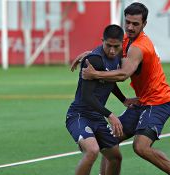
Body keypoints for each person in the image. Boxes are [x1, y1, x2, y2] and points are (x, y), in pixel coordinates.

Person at [74, 2, 170, 175]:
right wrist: (90, 54)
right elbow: (110, 49)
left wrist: (94, 74)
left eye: (135, 24)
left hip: (158, 102)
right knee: (110, 142)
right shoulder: (125, 39)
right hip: (142, 102)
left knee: (140, 147)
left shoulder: (140, 47)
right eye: (127, 22)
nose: (130, 27)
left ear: (144, 25)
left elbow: (123, 74)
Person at [66, 24, 139, 175]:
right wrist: (110, 115)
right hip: (79, 115)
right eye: (108, 46)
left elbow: (109, 81)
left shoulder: (119, 56)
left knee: (115, 157)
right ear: (102, 41)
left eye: (116, 46)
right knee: (92, 151)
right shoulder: (94, 60)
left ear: (121, 44)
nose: (112, 50)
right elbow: (87, 97)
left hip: (96, 118)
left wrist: (124, 100)